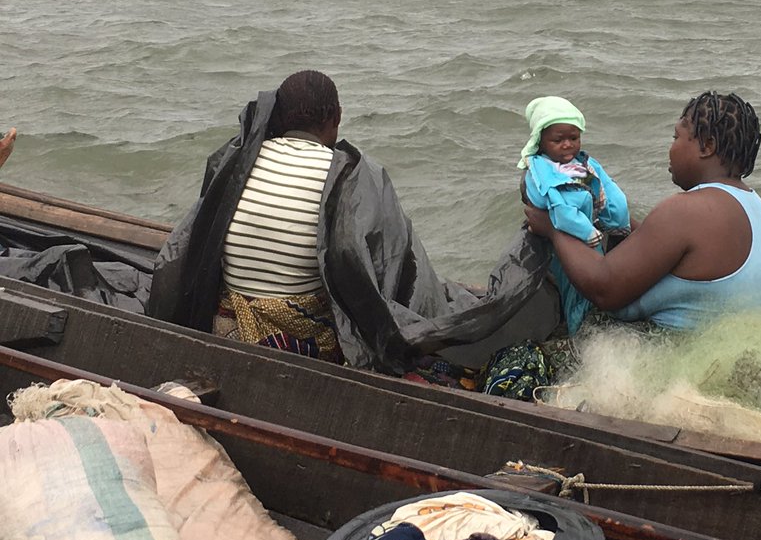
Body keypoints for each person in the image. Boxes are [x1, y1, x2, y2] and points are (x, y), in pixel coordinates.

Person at [148, 70, 549, 374]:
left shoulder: (237, 161)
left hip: (230, 319)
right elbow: (396, 270)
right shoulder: (352, 175)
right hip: (299, 335)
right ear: (335, 119)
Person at [524, 91, 761, 330]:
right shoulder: (760, 208)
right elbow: (665, 250)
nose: (671, 148)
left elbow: (604, 289)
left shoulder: (686, 210)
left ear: (706, 147)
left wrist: (554, 229)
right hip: (730, 342)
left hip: (674, 353)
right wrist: (613, 217)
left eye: (676, 137)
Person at [518, 96, 630, 334]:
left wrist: (619, 221)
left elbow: (607, 188)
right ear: (541, 141)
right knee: (574, 289)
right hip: (566, 242)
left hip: (593, 237)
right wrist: (588, 232)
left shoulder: (582, 164)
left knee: (596, 286)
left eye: (573, 138)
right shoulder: (541, 171)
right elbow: (560, 209)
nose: (567, 145)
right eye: (558, 140)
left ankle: (596, 320)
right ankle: (577, 331)